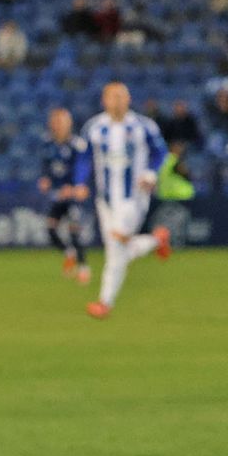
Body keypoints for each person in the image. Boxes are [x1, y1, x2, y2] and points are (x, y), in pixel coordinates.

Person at [78, 83, 171, 319]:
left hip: (134, 198)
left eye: (122, 96)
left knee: (117, 247)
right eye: (113, 97)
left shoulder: (144, 126)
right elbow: (84, 158)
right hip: (105, 200)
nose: (117, 101)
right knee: (117, 249)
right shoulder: (94, 127)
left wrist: (151, 173)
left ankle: (104, 303)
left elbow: (161, 153)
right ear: (104, 100)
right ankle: (155, 240)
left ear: (129, 99)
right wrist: (80, 182)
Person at [37, 107, 92, 284]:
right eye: (56, 121)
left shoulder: (77, 144)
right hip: (58, 195)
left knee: (74, 230)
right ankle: (70, 253)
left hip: (73, 195)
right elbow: (47, 168)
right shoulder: (47, 143)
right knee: (51, 229)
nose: (58, 125)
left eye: (62, 121)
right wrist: (45, 180)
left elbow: (83, 168)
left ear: (69, 124)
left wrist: (76, 186)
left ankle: (84, 268)